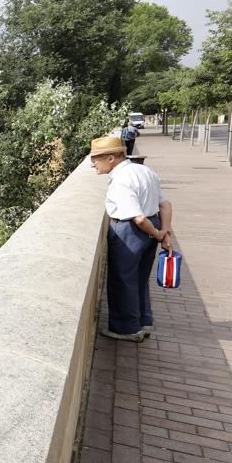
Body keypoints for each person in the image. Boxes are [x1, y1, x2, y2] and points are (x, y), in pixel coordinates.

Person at [90, 136, 174, 342]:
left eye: (96, 158)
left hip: (130, 231)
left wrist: (157, 233)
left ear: (111, 158)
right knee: (140, 277)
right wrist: (164, 231)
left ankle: (127, 328)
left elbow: (138, 218)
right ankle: (143, 321)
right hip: (152, 226)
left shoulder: (121, 180)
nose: (93, 164)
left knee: (123, 279)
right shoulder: (145, 171)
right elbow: (165, 204)